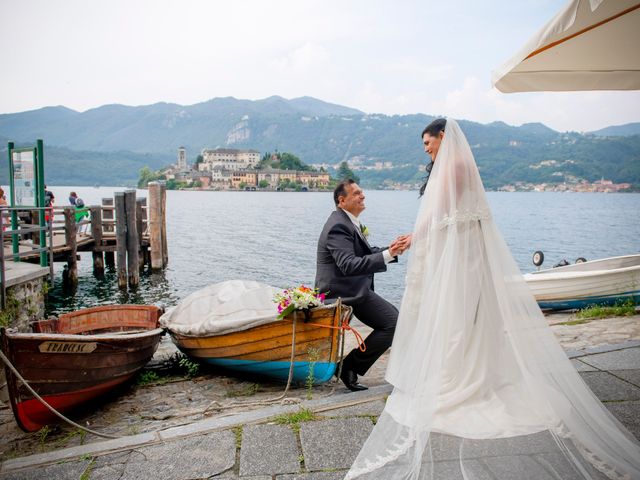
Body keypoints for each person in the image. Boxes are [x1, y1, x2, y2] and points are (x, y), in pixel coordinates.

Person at [345, 119, 640, 479]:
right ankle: (465, 371)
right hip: (465, 249)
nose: (426, 149)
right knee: (466, 314)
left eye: (428, 142)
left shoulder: (452, 165)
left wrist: (414, 237)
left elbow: (442, 212)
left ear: (443, 137)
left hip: (461, 255)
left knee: (456, 313)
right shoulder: (460, 165)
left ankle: (456, 379)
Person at [315, 180, 405, 392]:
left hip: (351, 288)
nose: (362, 196)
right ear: (342, 200)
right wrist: (387, 255)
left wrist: (392, 250)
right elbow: (348, 264)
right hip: (342, 291)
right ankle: (348, 367)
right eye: (357, 193)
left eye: (362, 192)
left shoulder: (346, 221)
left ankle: (350, 366)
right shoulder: (338, 226)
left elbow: (362, 253)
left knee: (395, 323)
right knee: (393, 324)